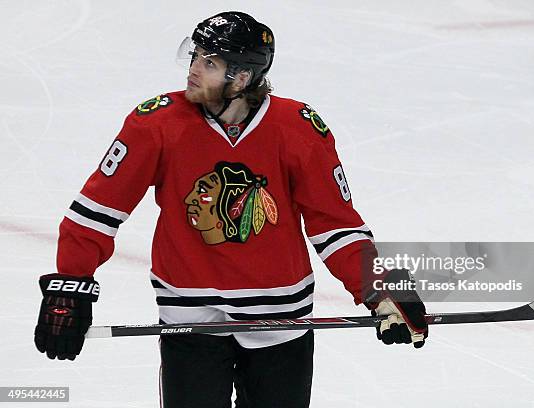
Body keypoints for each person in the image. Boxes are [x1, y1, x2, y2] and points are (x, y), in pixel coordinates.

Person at [34, 11, 428, 408]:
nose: (193, 69)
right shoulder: (155, 124)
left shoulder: (298, 128)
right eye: (195, 56)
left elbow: (335, 225)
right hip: (190, 321)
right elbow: (97, 210)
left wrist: (379, 289)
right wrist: (69, 284)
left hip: (282, 321)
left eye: (209, 62)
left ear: (241, 78)